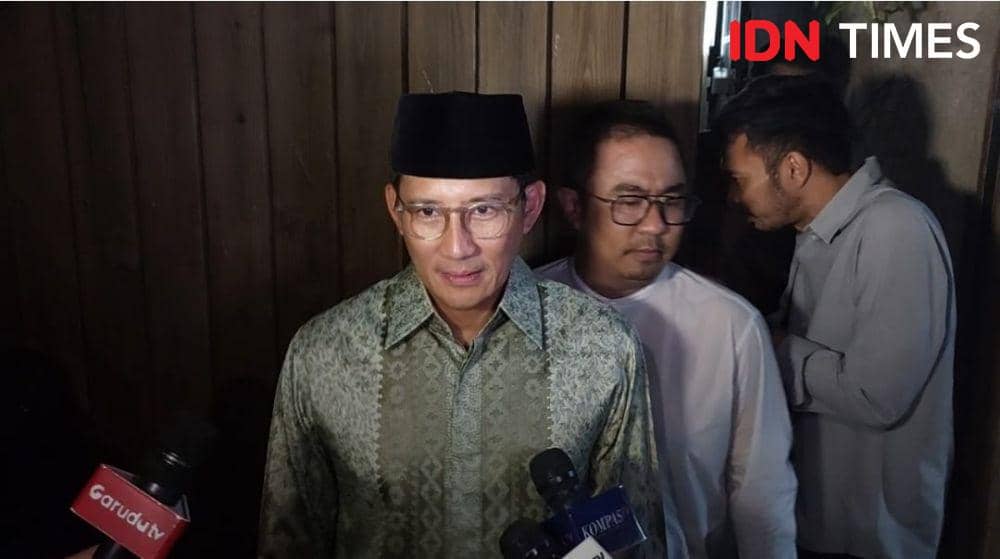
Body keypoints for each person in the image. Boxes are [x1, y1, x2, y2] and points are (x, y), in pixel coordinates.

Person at [257, 92, 673, 558]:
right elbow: (287, 543)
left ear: (530, 208)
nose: (457, 248)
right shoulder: (325, 352)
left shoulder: (602, 347)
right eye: (428, 212)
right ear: (396, 210)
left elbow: (637, 542)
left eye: (484, 210)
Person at [537, 100, 797, 559]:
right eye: (629, 201)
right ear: (574, 207)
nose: (656, 225)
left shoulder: (730, 326)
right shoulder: (526, 313)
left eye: (671, 201)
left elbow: (763, 494)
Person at [715, 75, 955, 559]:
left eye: (741, 180)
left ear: (794, 168)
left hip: (870, 538)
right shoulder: (818, 232)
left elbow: (878, 394)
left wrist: (769, 346)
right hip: (819, 522)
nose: (734, 198)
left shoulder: (895, 228)